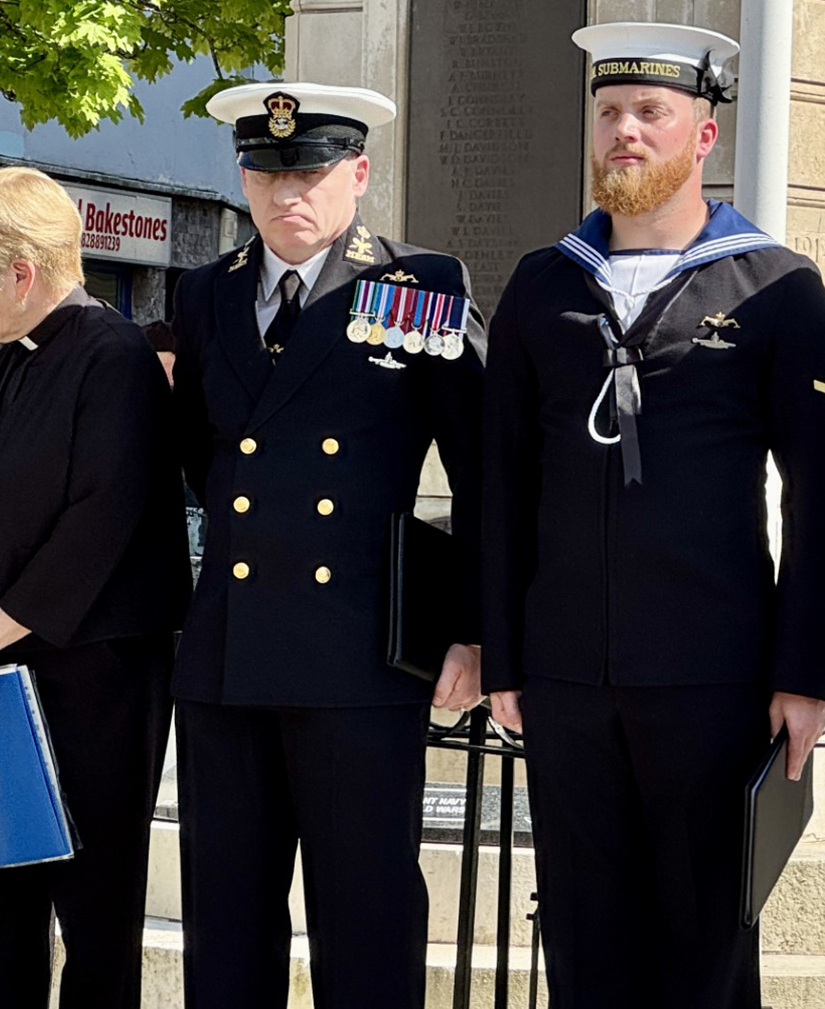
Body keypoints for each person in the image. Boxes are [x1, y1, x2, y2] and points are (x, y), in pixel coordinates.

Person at [481, 22, 825, 1009]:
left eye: (651, 113)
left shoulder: (776, 288)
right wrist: (505, 657)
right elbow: (501, 482)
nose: (625, 133)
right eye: (609, 114)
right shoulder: (542, 285)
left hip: (714, 678)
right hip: (565, 677)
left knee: (704, 949)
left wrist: (806, 675)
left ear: (705, 137)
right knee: (584, 943)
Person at [170, 81, 485, 1009]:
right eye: (265, 173)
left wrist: (472, 630)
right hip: (229, 654)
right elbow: (202, 455)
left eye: (308, 171)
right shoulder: (205, 293)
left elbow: (484, 473)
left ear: (359, 173)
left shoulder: (415, 288)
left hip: (355, 655)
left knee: (367, 923)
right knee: (225, 926)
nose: (286, 194)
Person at [0, 166, 188, 1008]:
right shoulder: (5, 359)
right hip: (1, 671)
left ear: (19, 273)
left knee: (94, 904)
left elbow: (98, 526)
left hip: (94, 674)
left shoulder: (116, 357)